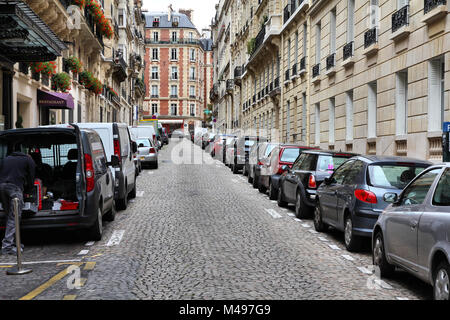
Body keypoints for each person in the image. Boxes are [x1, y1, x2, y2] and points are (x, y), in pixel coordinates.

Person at [0, 145, 35, 255]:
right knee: (14, 217)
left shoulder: (5, 159)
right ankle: (7, 246)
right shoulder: (28, 160)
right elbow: (31, 178)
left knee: (9, 216)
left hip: (1, 187)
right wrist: (28, 191)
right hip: (15, 188)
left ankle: (15, 243)